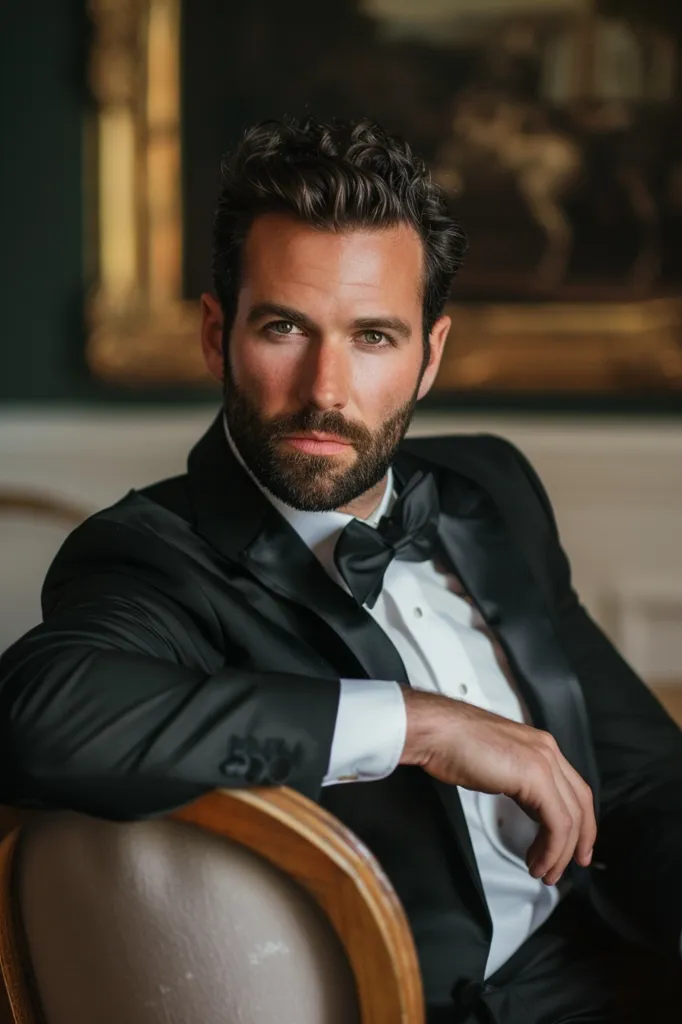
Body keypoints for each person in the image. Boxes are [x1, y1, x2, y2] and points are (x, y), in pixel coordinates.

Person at [1, 117, 682, 1023]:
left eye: (373, 337)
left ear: (430, 355)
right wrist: (415, 724)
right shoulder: (153, 553)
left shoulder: (491, 486)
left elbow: (640, 777)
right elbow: (40, 717)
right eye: (285, 327)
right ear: (216, 334)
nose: (324, 390)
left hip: (612, 971)